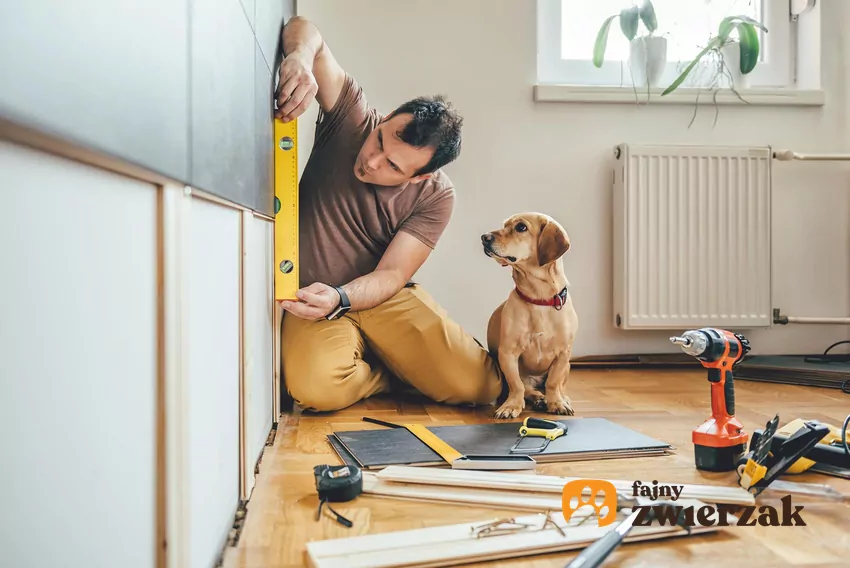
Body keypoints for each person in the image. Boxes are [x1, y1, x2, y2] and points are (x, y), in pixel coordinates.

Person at [274, 16, 503, 413]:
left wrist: (343, 296)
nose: (372, 161)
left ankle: (403, 362)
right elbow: (305, 29)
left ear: (420, 177)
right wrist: (299, 56)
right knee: (316, 390)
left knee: (480, 386)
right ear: (384, 120)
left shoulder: (437, 196)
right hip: (311, 296)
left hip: (378, 294)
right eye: (380, 139)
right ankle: (389, 373)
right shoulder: (352, 119)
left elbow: (393, 275)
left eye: (394, 167)